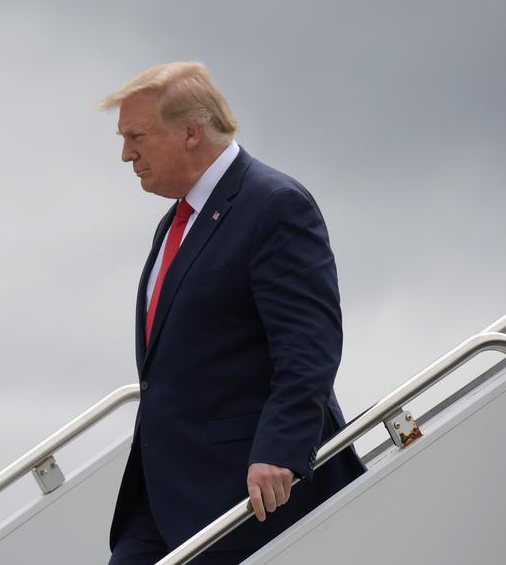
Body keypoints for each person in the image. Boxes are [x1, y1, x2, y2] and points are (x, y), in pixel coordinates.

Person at [98, 62, 366, 565]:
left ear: (191, 133)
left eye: (136, 136)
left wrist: (281, 451)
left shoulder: (274, 204)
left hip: (247, 493)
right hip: (165, 494)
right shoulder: (177, 222)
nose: (125, 153)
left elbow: (309, 345)